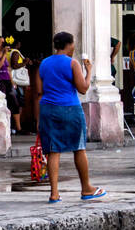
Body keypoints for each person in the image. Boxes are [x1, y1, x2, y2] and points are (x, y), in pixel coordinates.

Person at [36, 31, 104, 203]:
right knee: (79, 148)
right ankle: (86, 188)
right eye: (73, 44)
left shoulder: (44, 64)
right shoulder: (72, 63)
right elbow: (83, 88)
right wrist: (88, 71)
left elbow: (39, 90)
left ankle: (54, 193)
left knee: (53, 150)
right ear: (69, 45)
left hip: (48, 109)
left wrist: (38, 117)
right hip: (69, 108)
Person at [0, 36, 24, 134]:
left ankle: (19, 128)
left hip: (7, 80)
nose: (2, 44)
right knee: (2, 103)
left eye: (3, 42)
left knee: (15, 103)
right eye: (0, 42)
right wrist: (3, 54)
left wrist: (12, 82)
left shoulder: (4, 53)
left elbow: (8, 69)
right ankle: (2, 127)